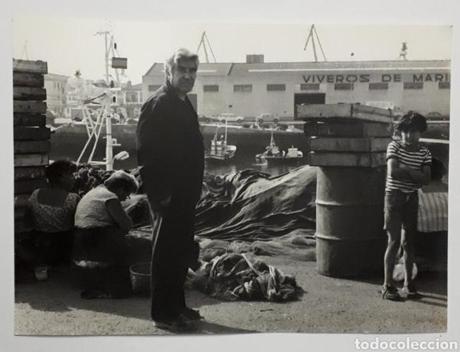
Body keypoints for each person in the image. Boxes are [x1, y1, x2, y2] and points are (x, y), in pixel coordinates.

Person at [136, 48, 204, 331]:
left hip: (185, 193)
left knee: (179, 251)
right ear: (169, 72)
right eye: (182, 71)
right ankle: (163, 314)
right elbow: (146, 152)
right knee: (165, 254)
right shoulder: (159, 103)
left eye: (192, 71)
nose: (187, 76)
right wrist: (160, 193)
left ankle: (177, 306)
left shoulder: (183, 102)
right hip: (168, 194)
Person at [382, 111, 432, 300]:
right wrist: (414, 174)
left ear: (421, 132)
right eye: (406, 131)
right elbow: (393, 172)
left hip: (412, 198)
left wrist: (405, 169)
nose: (409, 136)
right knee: (394, 241)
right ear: (401, 132)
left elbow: (426, 179)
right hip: (394, 198)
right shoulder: (393, 146)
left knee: (409, 243)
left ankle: (409, 286)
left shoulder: (425, 152)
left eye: (414, 132)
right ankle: (387, 286)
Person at [72, 170, 138, 299]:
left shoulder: (95, 191)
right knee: (133, 245)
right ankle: (114, 289)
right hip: (96, 237)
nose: (126, 198)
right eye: (127, 194)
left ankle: (96, 286)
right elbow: (126, 225)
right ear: (120, 188)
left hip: (80, 238)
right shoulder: (110, 197)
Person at [28, 160, 80, 280]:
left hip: (40, 246)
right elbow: (79, 223)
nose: (74, 178)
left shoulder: (35, 194)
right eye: (71, 175)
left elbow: (28, 221)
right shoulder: (73, 198)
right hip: (64, 246)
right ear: (61, 177)